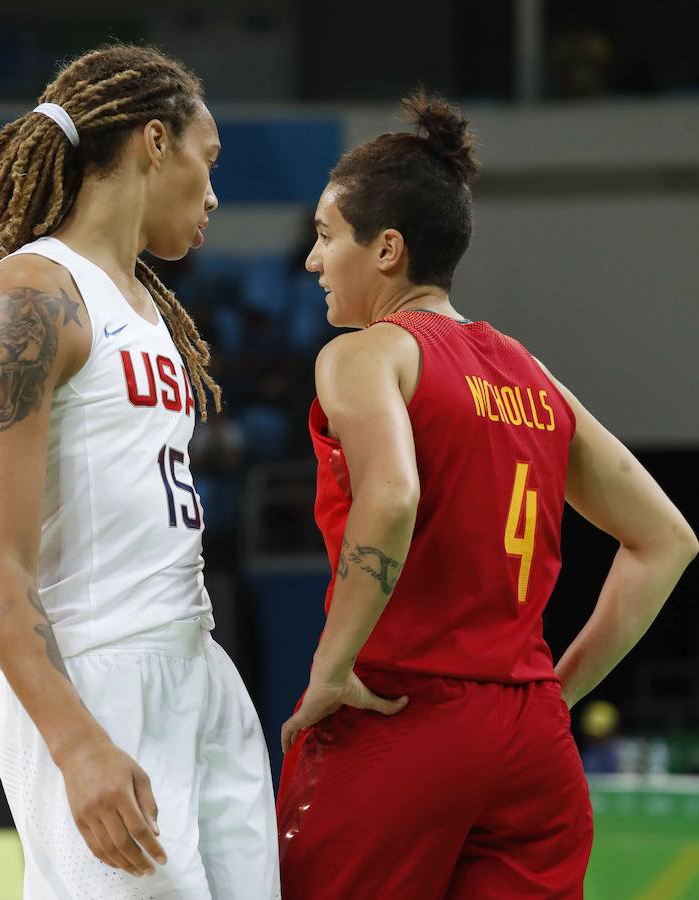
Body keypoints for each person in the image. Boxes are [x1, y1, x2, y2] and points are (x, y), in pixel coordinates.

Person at [276, 91, 698, 899]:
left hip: (399, 716)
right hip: (529, 742)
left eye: (328, 237)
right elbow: (667, 540)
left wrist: (331, 669)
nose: (313, 259)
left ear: (387, 249)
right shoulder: (535, 378)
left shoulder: (367, 356)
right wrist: (552, 695)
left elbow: (392, 497)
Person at [0, 45, 280, 899]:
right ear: (153, 141)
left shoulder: (146, 305)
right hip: (95, 677)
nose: (214, 197)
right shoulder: (32, 291)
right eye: (208, 163)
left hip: (194, 661)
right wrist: (76, 742)